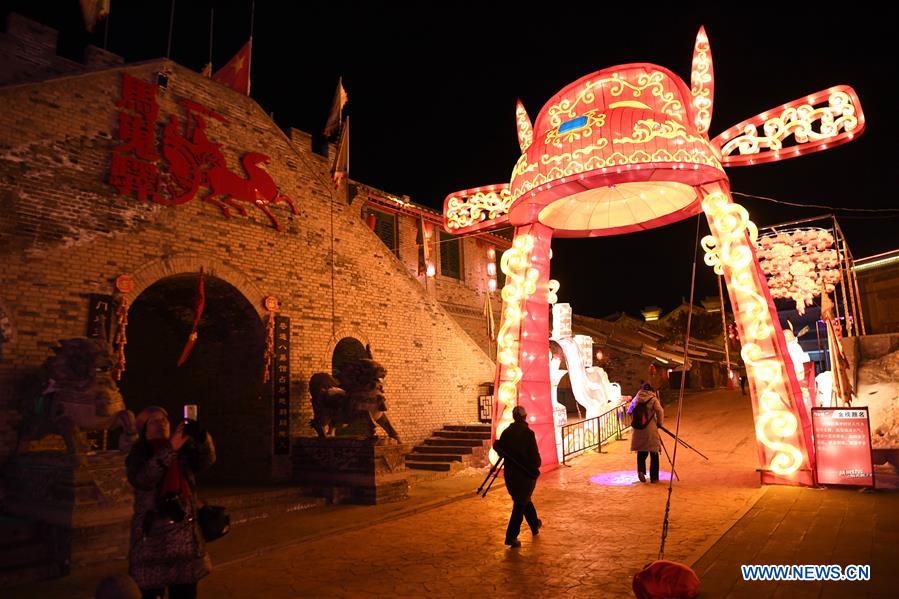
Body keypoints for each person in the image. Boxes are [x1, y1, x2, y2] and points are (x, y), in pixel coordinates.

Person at [126, 407, 216, 599]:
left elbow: (206, 461)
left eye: (164, 419)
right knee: (151, 593)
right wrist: (170, 449)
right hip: (153, 541)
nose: (162, 424)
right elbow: (143, 478)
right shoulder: (139, 453)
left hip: (183, 540)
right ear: (144, 429)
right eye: (154, 421)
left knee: (184, 593)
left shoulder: (182, 452)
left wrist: (201, 438)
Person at [494, 405, 542, 548]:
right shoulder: (528, 433)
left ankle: (534, 524)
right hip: (525, 476)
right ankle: (511, 536)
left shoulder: (506, 432)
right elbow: (535, 460)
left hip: (510, 476)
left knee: (523, 499)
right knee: (520, 504)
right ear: (524, 417)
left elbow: (500, 451)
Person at [628, 383, 664, 483]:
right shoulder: (653, 399)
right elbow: (660, 411)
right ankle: (654, 478)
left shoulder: (636, 398)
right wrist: (659, 423)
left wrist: (635, 421)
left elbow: (629, 411)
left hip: (638, 429)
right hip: (650, 429)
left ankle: (641, 471)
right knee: (654, 452)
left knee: (641, 452)